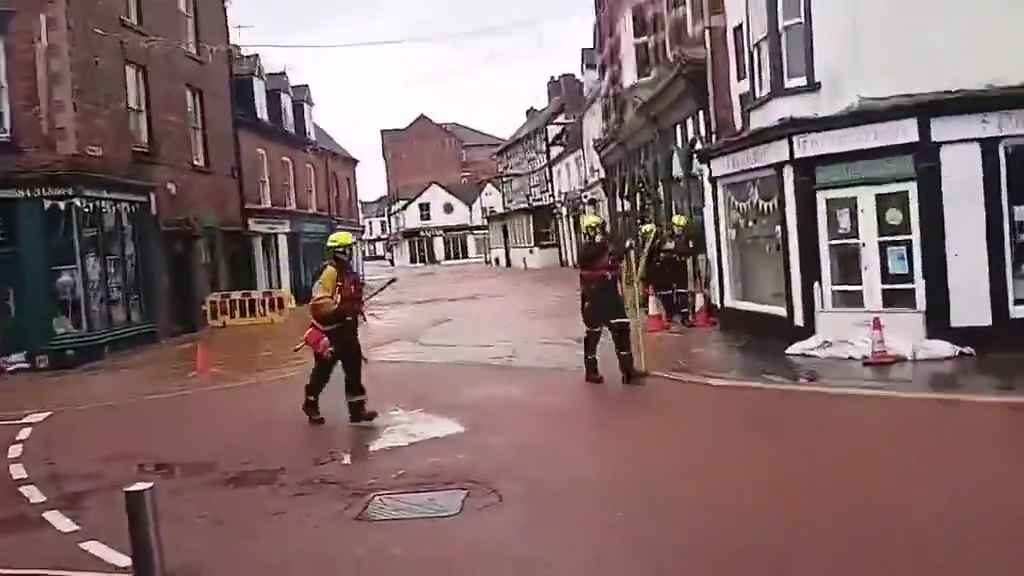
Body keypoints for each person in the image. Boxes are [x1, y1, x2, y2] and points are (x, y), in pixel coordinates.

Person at [303, 231, 378, 426]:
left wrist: (355, 307)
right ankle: (310, 403)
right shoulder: (330, 272)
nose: (351, 252)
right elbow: (319, 301)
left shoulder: (349, 273)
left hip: (348, 330)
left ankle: (357, 411)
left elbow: (352, 296)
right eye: (349, 248)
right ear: (341, 251)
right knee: (322, 372)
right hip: (330, 331)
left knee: (353, 371)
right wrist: (339, 311)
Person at [578, 215, 645, 386]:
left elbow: (615, 255)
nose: (600, 232)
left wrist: (627, 247)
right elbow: (598, 258)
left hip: (611, 297)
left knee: (622, 330)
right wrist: (610, 248)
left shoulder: (606, 246)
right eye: (597, 229)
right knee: (593, 336)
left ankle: (628, 371)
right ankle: (591, 371)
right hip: (594, 299)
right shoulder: (587, 250)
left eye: (601, 228)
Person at [646, 215, 692, 326]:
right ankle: (670, 315)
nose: (679, 229)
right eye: (677, 227)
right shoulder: (665, 238)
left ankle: (684, 317)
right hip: (668, 268)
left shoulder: (686, 238)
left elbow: (689, 251)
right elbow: (656, 252)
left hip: (681, 267)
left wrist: (678, 251)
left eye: (681, 227)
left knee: (682, 293)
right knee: (668, 294)